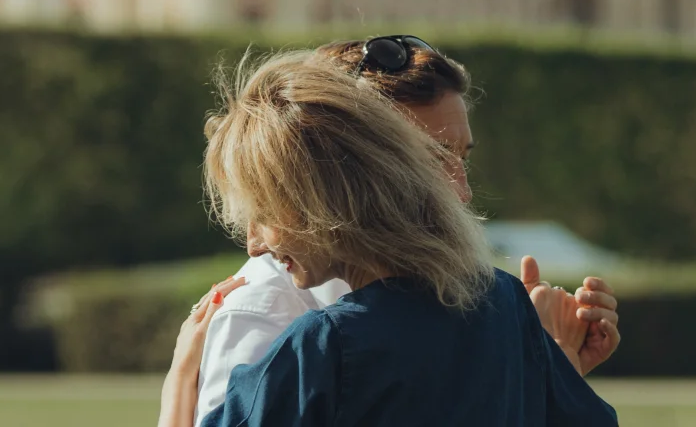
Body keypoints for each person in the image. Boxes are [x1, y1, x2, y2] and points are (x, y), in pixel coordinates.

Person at [158, 48, 619, 426]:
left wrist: (180, 381)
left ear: (318, 203)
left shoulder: (319, 349)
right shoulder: (504, 302)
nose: (255, 244)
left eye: (261, 213)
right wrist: (549, 358)